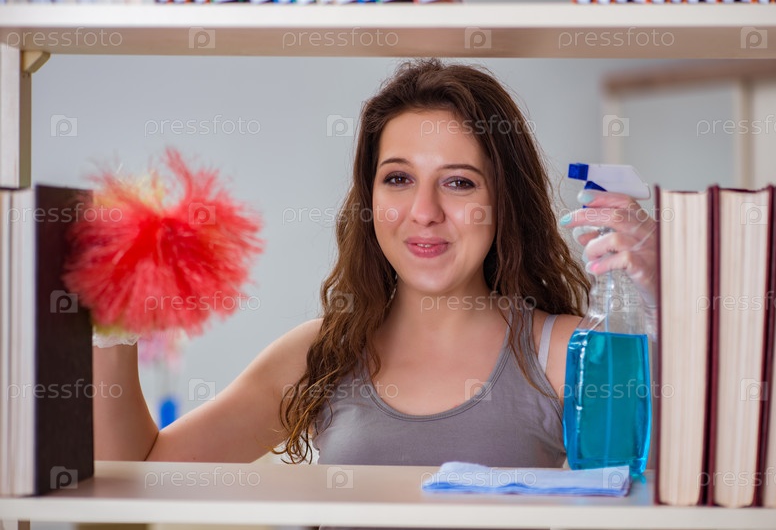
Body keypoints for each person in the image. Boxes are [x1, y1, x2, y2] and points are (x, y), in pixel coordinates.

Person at [94, 59, 657, 468]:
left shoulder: (572, 353)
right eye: (398, 178)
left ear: (503, 201)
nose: (424, 212)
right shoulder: (320, 355)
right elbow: (137, 478)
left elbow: (666, 491)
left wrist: (664, 290)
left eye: (459, 183)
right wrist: (112, 314)